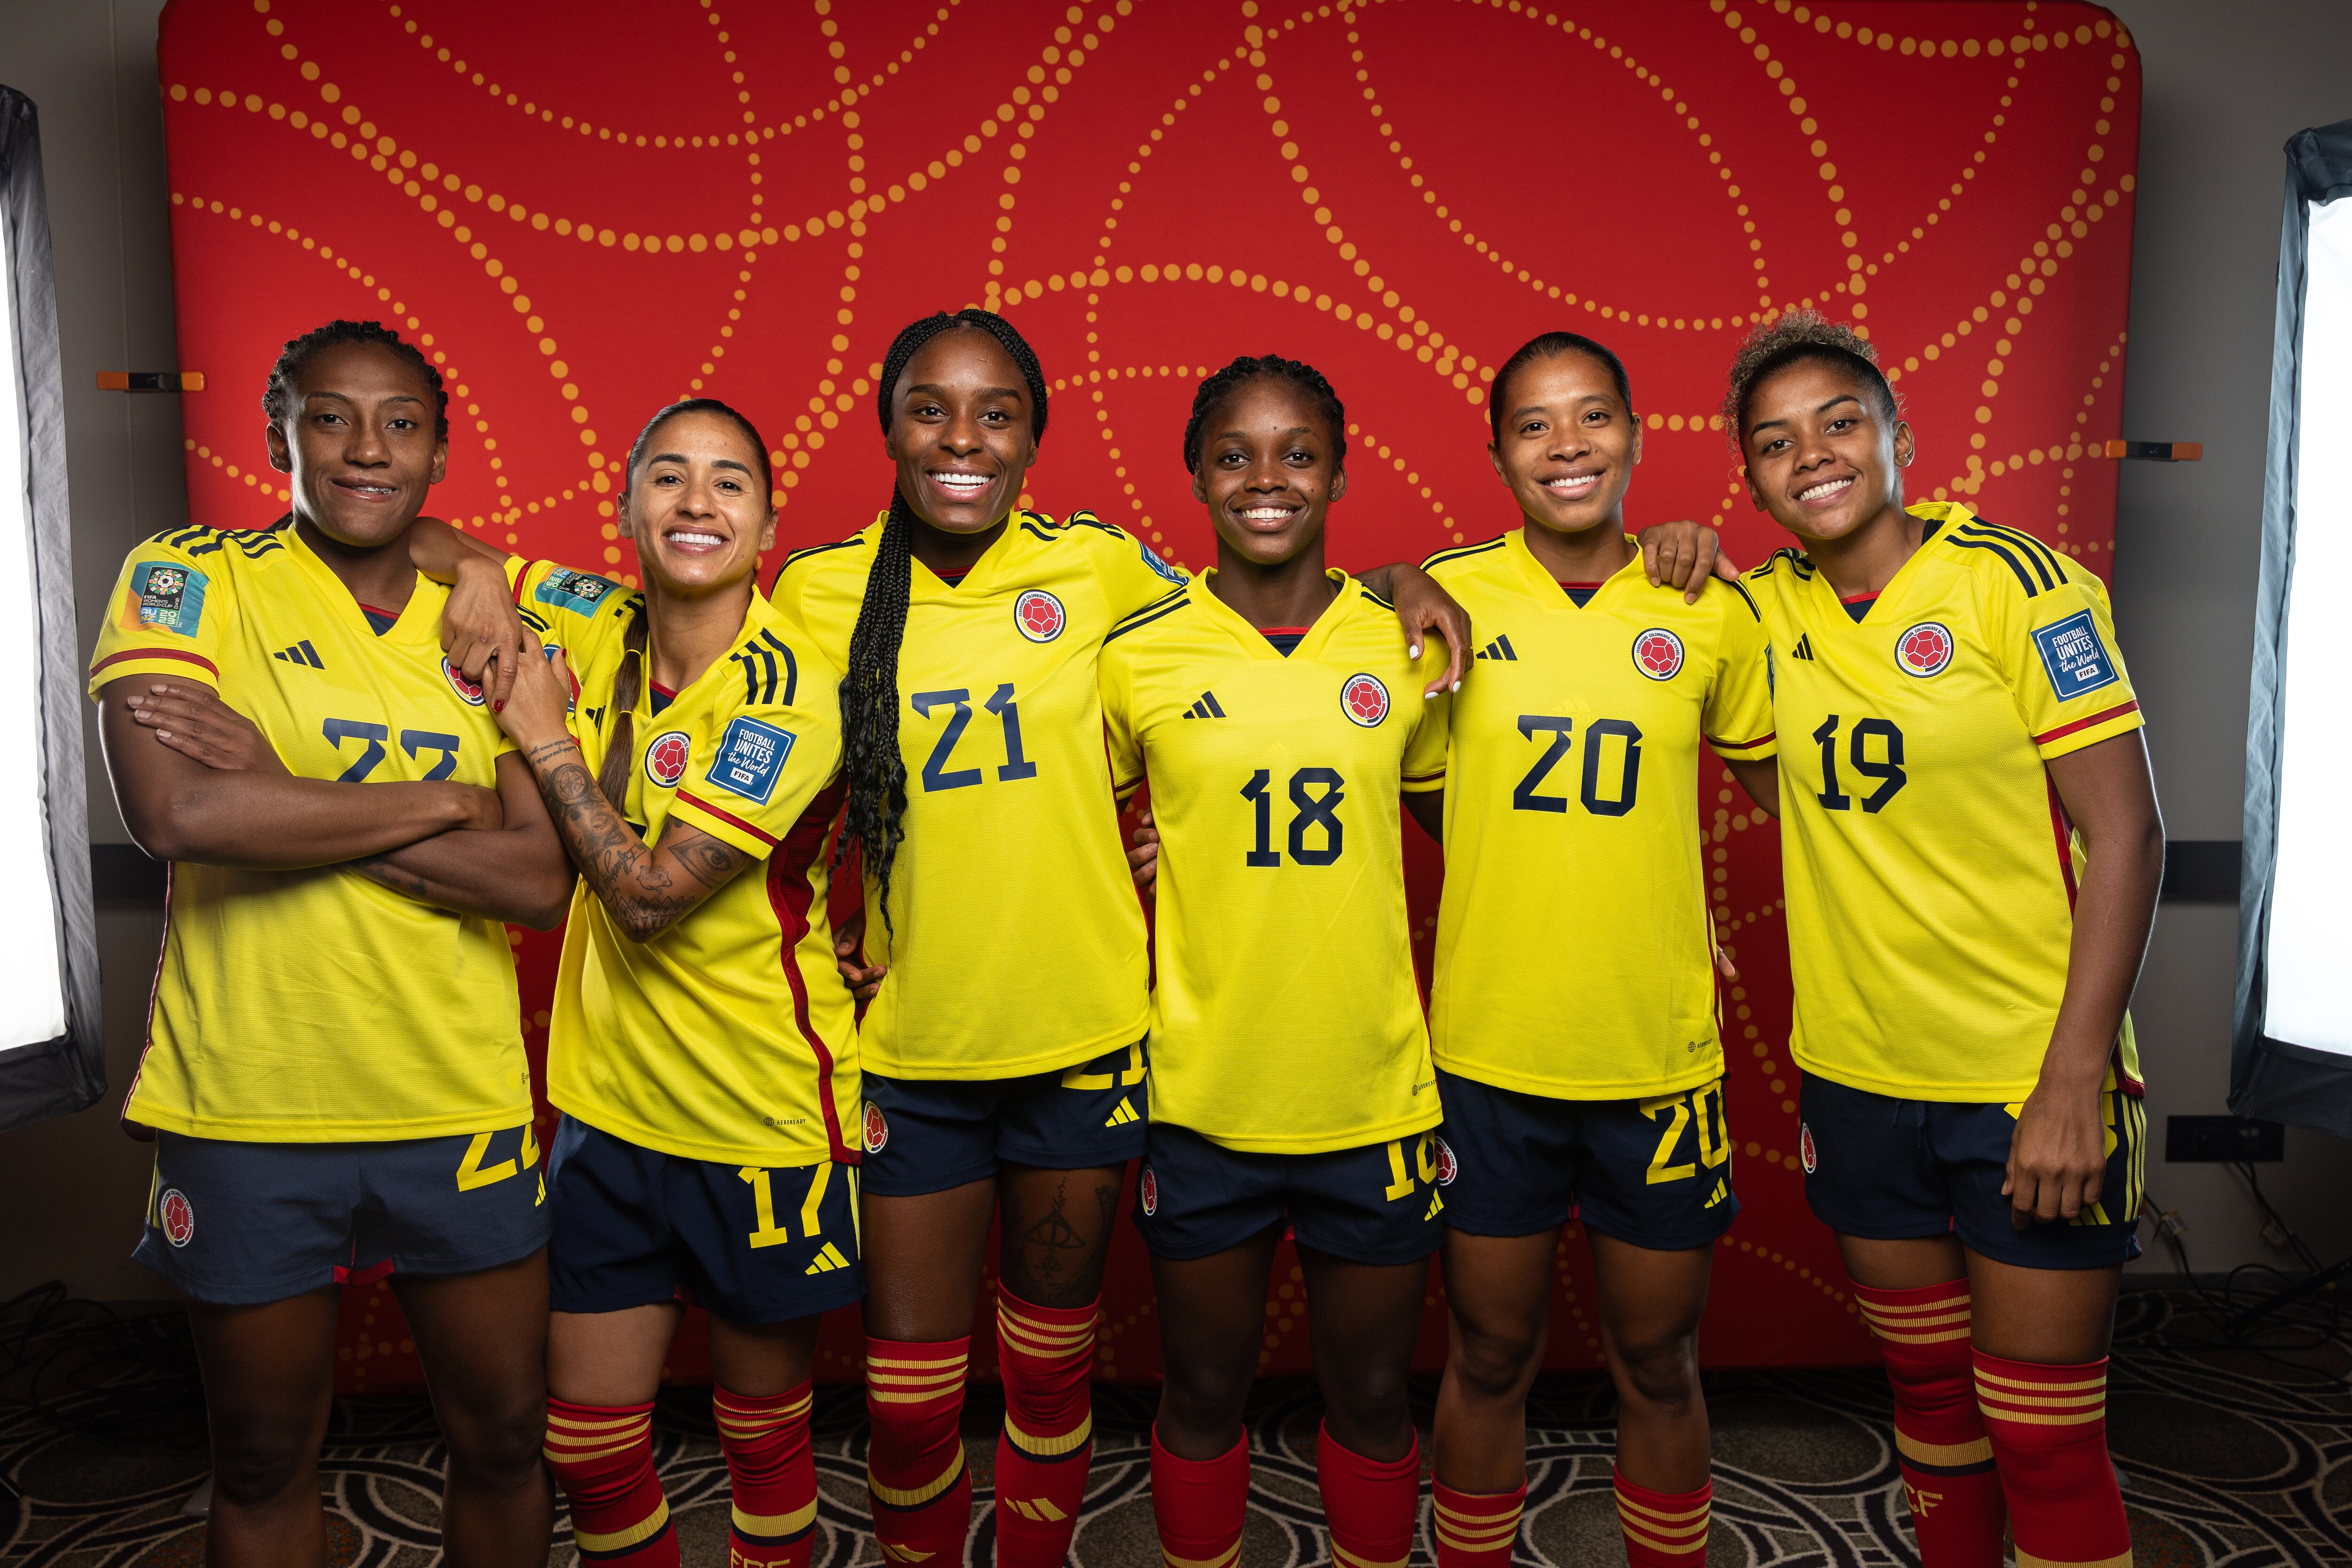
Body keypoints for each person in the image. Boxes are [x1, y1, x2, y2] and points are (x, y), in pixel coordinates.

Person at [766, 309, 1471, 1568]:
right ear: (886, 425)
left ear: (1037, 436)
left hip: (1086, 1044)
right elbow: (736, 739)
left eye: (998, 411)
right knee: (914, 1403)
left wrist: (1405, 580)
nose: (964, 436)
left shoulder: (1099, 569)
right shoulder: (819, 587)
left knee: (1050, 1388)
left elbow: (1263, 613)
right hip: (918, 1040)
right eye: (932, 407)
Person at [87, 319, 573, 1568]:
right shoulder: (191, 575)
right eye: (331, 417)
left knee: (510, 1432)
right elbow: (182, 811)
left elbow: (535, 879)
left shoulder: (498, 624)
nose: (369, 447)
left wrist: (288, 797)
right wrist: (445, 801)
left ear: (441, 448)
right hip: (249, 1095)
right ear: (277, 435)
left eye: (401, 421)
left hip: (450, 1089)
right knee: (259, 1449)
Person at [1726, 311, 2161, 1568]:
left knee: (2045, 1436)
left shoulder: (2016, 585)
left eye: (1840, 422)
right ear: (1753, 477)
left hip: (2023, 1079)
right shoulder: (1763, 613)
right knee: (1931, 1409)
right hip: (1862, 1076)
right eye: (1775, 441)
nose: (1811, 455)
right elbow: (1799, 800)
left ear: (1900, 437)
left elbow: (2128, 836)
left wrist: (2073, 1082)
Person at [410, 398, 860, 1568]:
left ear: (768, 521)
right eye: (667, 477)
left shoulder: (792, 690)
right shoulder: (589, 616)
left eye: (728, 482)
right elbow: (407, 529)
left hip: (755, 1112)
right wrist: (484, 567)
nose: (697, 503)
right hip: (607, 1115)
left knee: (762, 1439)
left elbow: (652, 898)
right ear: (625, 508)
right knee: (590, 1443)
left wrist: (547, 742)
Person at [1408, 332, 1777, 1568]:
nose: (1566, 445)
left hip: (1655, 1055)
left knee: (1661, 1359)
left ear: (1634, 432)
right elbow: (1403, 781)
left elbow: (1800, 790)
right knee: (1490, 1353)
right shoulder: (1445, 596)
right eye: (1534, 423)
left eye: (1592, 418)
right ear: (1499, 448)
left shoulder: (1709, 607)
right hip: (1493, 1054)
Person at [1096, 353, 1450, 1568]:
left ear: (1341, 472)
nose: (1266, 477)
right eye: (1235, 452)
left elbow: (1491, 837)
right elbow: (1064, 841)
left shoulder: (1411, 639)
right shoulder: (1136, 651)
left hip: (1372, 1090)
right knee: (1199, 1392)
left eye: (1297, 451)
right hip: (1205, 1093)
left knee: (1368, 1395)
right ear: (1195, 474)